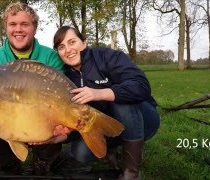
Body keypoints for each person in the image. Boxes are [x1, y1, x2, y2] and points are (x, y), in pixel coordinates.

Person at [0, 2, 64, 175]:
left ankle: (43, 161)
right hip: (6, 121)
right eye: (13, 24)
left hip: (40, 118)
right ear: (6, 27)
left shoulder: (51, 58)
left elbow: (63, 96)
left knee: (56, 119)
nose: (18, 29)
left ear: (34, 28)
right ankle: (9, 163)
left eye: (25, 24)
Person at [50, 26, 160, 180]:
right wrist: (57, 137)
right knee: (80, 153)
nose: (68, 50)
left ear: (84, 43)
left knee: (121, 101)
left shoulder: (107, 57)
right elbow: (77, 119)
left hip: (144, 121)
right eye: (61, 47)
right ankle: (111, 149)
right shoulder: (65, 78)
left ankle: (131, 173)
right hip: (103, 126)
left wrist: (99, 93)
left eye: (72, 42)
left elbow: (141, 86)